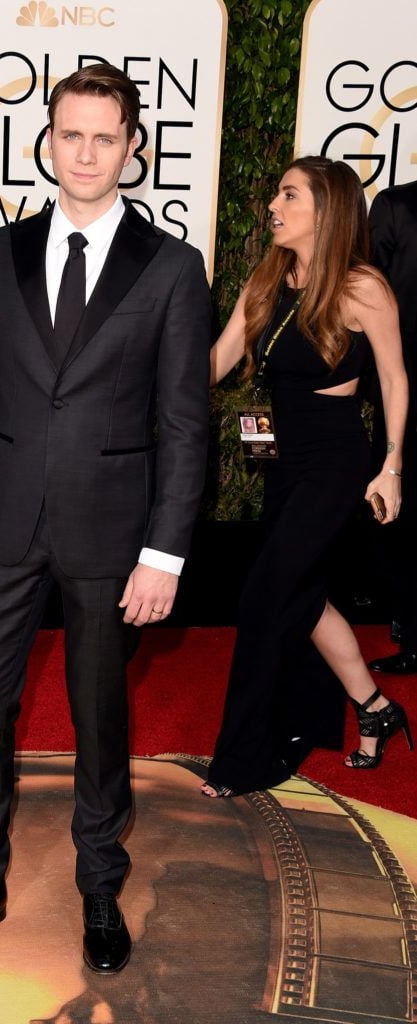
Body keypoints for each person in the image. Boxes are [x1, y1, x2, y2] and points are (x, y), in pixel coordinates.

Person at [0, 63, 212, 972]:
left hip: (113, 539)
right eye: (69, 135)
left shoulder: (170, 268)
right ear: (47, 142)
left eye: (103, 137)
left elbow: (185, 426)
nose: (84, 153)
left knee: (98, 717)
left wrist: (164, 553)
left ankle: (97, 887)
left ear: (132, 149)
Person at [202, 156, 413, 799]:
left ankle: (246, 756)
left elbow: (398, 379)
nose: (273, 203)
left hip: (334, 458)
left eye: (289, 194)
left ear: (326, 211)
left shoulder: (362, 287)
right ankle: (374, 706)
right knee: (303, 596)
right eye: (277, 190)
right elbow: (216, 360)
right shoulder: (269, 279)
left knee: (266, 596)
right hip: (281, 458)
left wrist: (392, 466)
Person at [364, 180, 417, 675]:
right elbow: (369, 284)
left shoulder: (397, 205)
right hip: (402, 379)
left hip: (401, 377)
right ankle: (409, 627)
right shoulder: (397, 205)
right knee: (397, 503)